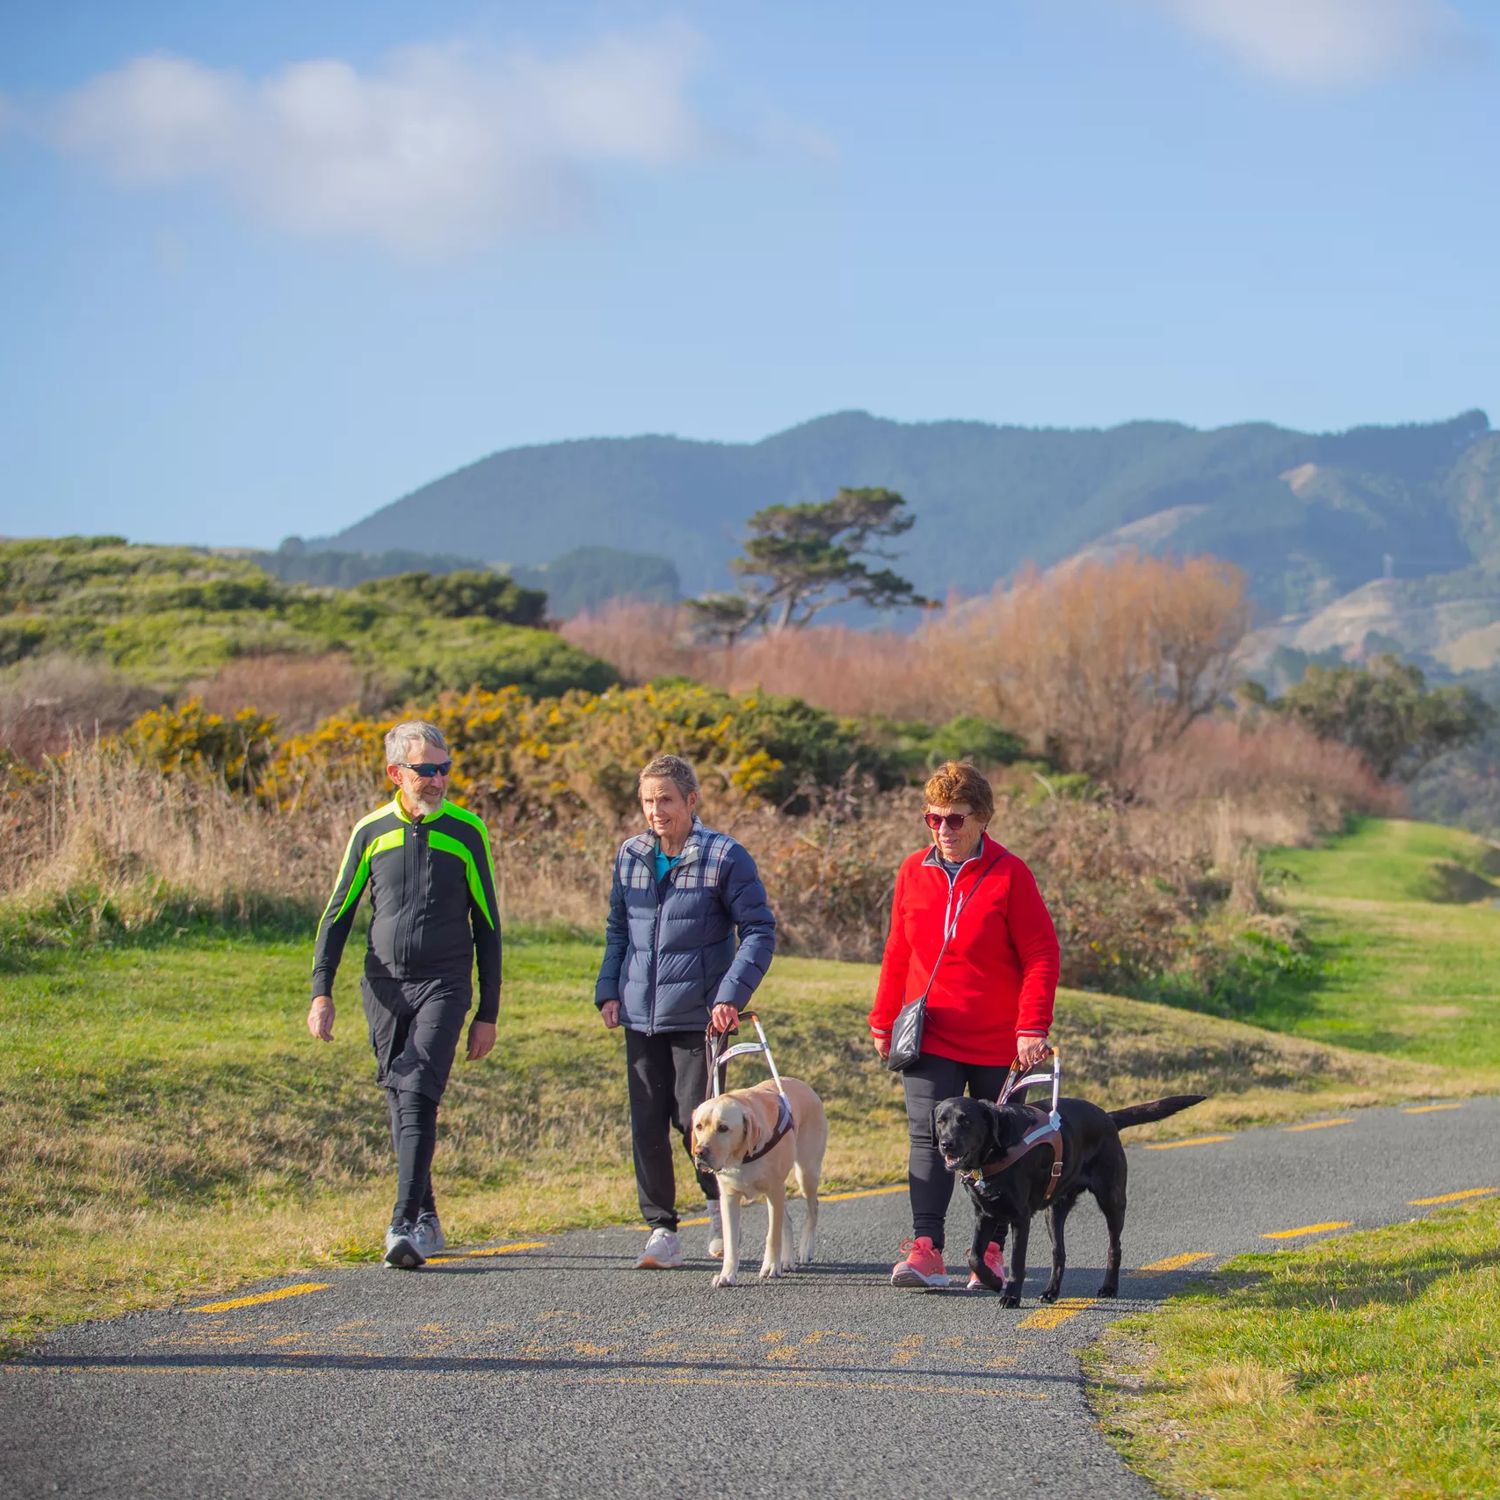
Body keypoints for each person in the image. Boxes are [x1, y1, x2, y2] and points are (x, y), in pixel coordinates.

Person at [306, 720, 500, 1269]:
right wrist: (322, 992)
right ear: (396, 773)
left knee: (416, 1088)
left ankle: (400, 1224)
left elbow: (488, 925)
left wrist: (487, 1011)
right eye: (425, 770)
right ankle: (428, 1216)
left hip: (446, 982)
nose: (438, 779)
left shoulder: (467, 831)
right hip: (384, 985)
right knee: (400, 1097)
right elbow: (337, 915)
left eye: (444, 769)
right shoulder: (370, 831)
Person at [868, 760, 1059, 1290]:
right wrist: (883, 1019)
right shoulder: (913, 871)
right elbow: (897, 950)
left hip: (1001, 1038)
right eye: (934, 819)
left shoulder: (1010, 874)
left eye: (955, 819)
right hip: (931, 1034)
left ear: (983, 818)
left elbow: (1041, 952)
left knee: (998, 1145)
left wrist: (1031, 1026)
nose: (944, 830)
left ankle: (991, 1253)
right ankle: (926, 1249)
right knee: (930, 1137)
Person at [595, 753, 776, 1269]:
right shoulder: (630, 854)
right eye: (648, 801)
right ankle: (661, 1229)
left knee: (690, 1119)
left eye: (666, 800)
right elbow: (617, 929)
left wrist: (729, 997)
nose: (656, 810)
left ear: (691, 801)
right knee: (646, 1123)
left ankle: (718, 1207)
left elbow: (759, 932)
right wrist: (609, 989)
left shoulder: (725, 857)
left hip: (699, 1015)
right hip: (638, 1014)